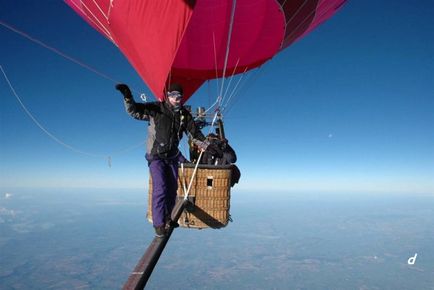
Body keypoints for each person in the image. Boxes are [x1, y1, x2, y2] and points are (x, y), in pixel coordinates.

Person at [116, 83, 216, 237]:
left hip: (172, 156)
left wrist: (208, 147)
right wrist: (128, 97)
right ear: (168, 96)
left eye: (179, 95)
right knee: (161, 188)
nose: (177, 98)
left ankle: (168, 218)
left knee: (171, 190)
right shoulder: (157, 108)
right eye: (173, 95)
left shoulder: (184, 115)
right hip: (156, 156)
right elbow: (134, 112)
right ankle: (159, 224)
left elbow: (195, 134)